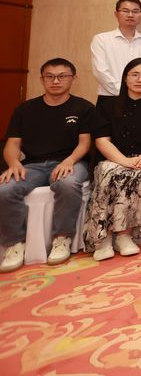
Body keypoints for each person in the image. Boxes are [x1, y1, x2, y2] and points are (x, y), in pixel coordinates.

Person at [0, 59, 94, 272]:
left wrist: (69, 160)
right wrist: (13, 163)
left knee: (67, 183)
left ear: (73, 79)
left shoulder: (84, 107)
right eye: (50, 76)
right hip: (33, 165)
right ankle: (14, 244)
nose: (55, 81)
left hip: (71, 161)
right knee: (5, 188)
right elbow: (12, 144)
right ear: (42, 80)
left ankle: (62, 238)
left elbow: (85, 143)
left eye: (62, 76)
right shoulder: (25, 109)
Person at [83, 58, 141, 260]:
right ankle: (103, 238)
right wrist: (123, 160)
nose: (140, 79)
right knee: (108, 173)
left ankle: (124, 235)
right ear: (125, 78)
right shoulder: (107, 105)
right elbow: (101, 141)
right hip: (114, 157)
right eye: (135, 74)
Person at [90, 0, 141, 115]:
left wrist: (134, 92)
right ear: (116, 14)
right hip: (109, 98)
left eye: (135, 11)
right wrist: (125, 92)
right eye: (126, 11)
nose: (130, 15)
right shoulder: (101, 39)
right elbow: (100, 71)